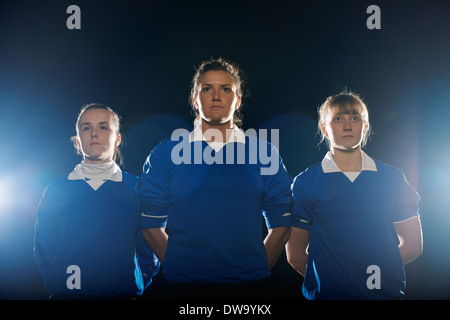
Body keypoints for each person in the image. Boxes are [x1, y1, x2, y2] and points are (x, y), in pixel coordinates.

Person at [139, 58, 292, 299]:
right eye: (207, 88)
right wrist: (180, 267)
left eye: (226, 89)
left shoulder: (264, 153)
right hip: (181, 287)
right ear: (195, 98)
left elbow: (281, 224)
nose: (216, 96)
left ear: (238, 100)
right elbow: (150, 224)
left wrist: (254, 270)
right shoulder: (165, 153)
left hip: (250, 287)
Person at [286, 90, 423, 300]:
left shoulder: (393, 178)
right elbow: (295, 255)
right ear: (324, 128)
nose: (348, 126)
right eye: (338, 118)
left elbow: (413, 244)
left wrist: (375, 273)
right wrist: (334, 280)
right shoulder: (305, 182)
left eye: (355, 118)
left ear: (365, 126)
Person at [34, 103, 159, 299]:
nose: (94, 134)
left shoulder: (140, 189)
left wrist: (134, 282)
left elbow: (150, 248)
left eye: (103, 127)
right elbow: (44, 245)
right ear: (77, 141)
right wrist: (62, 282)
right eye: (86, 128)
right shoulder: (57, 189)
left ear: (118, 139)